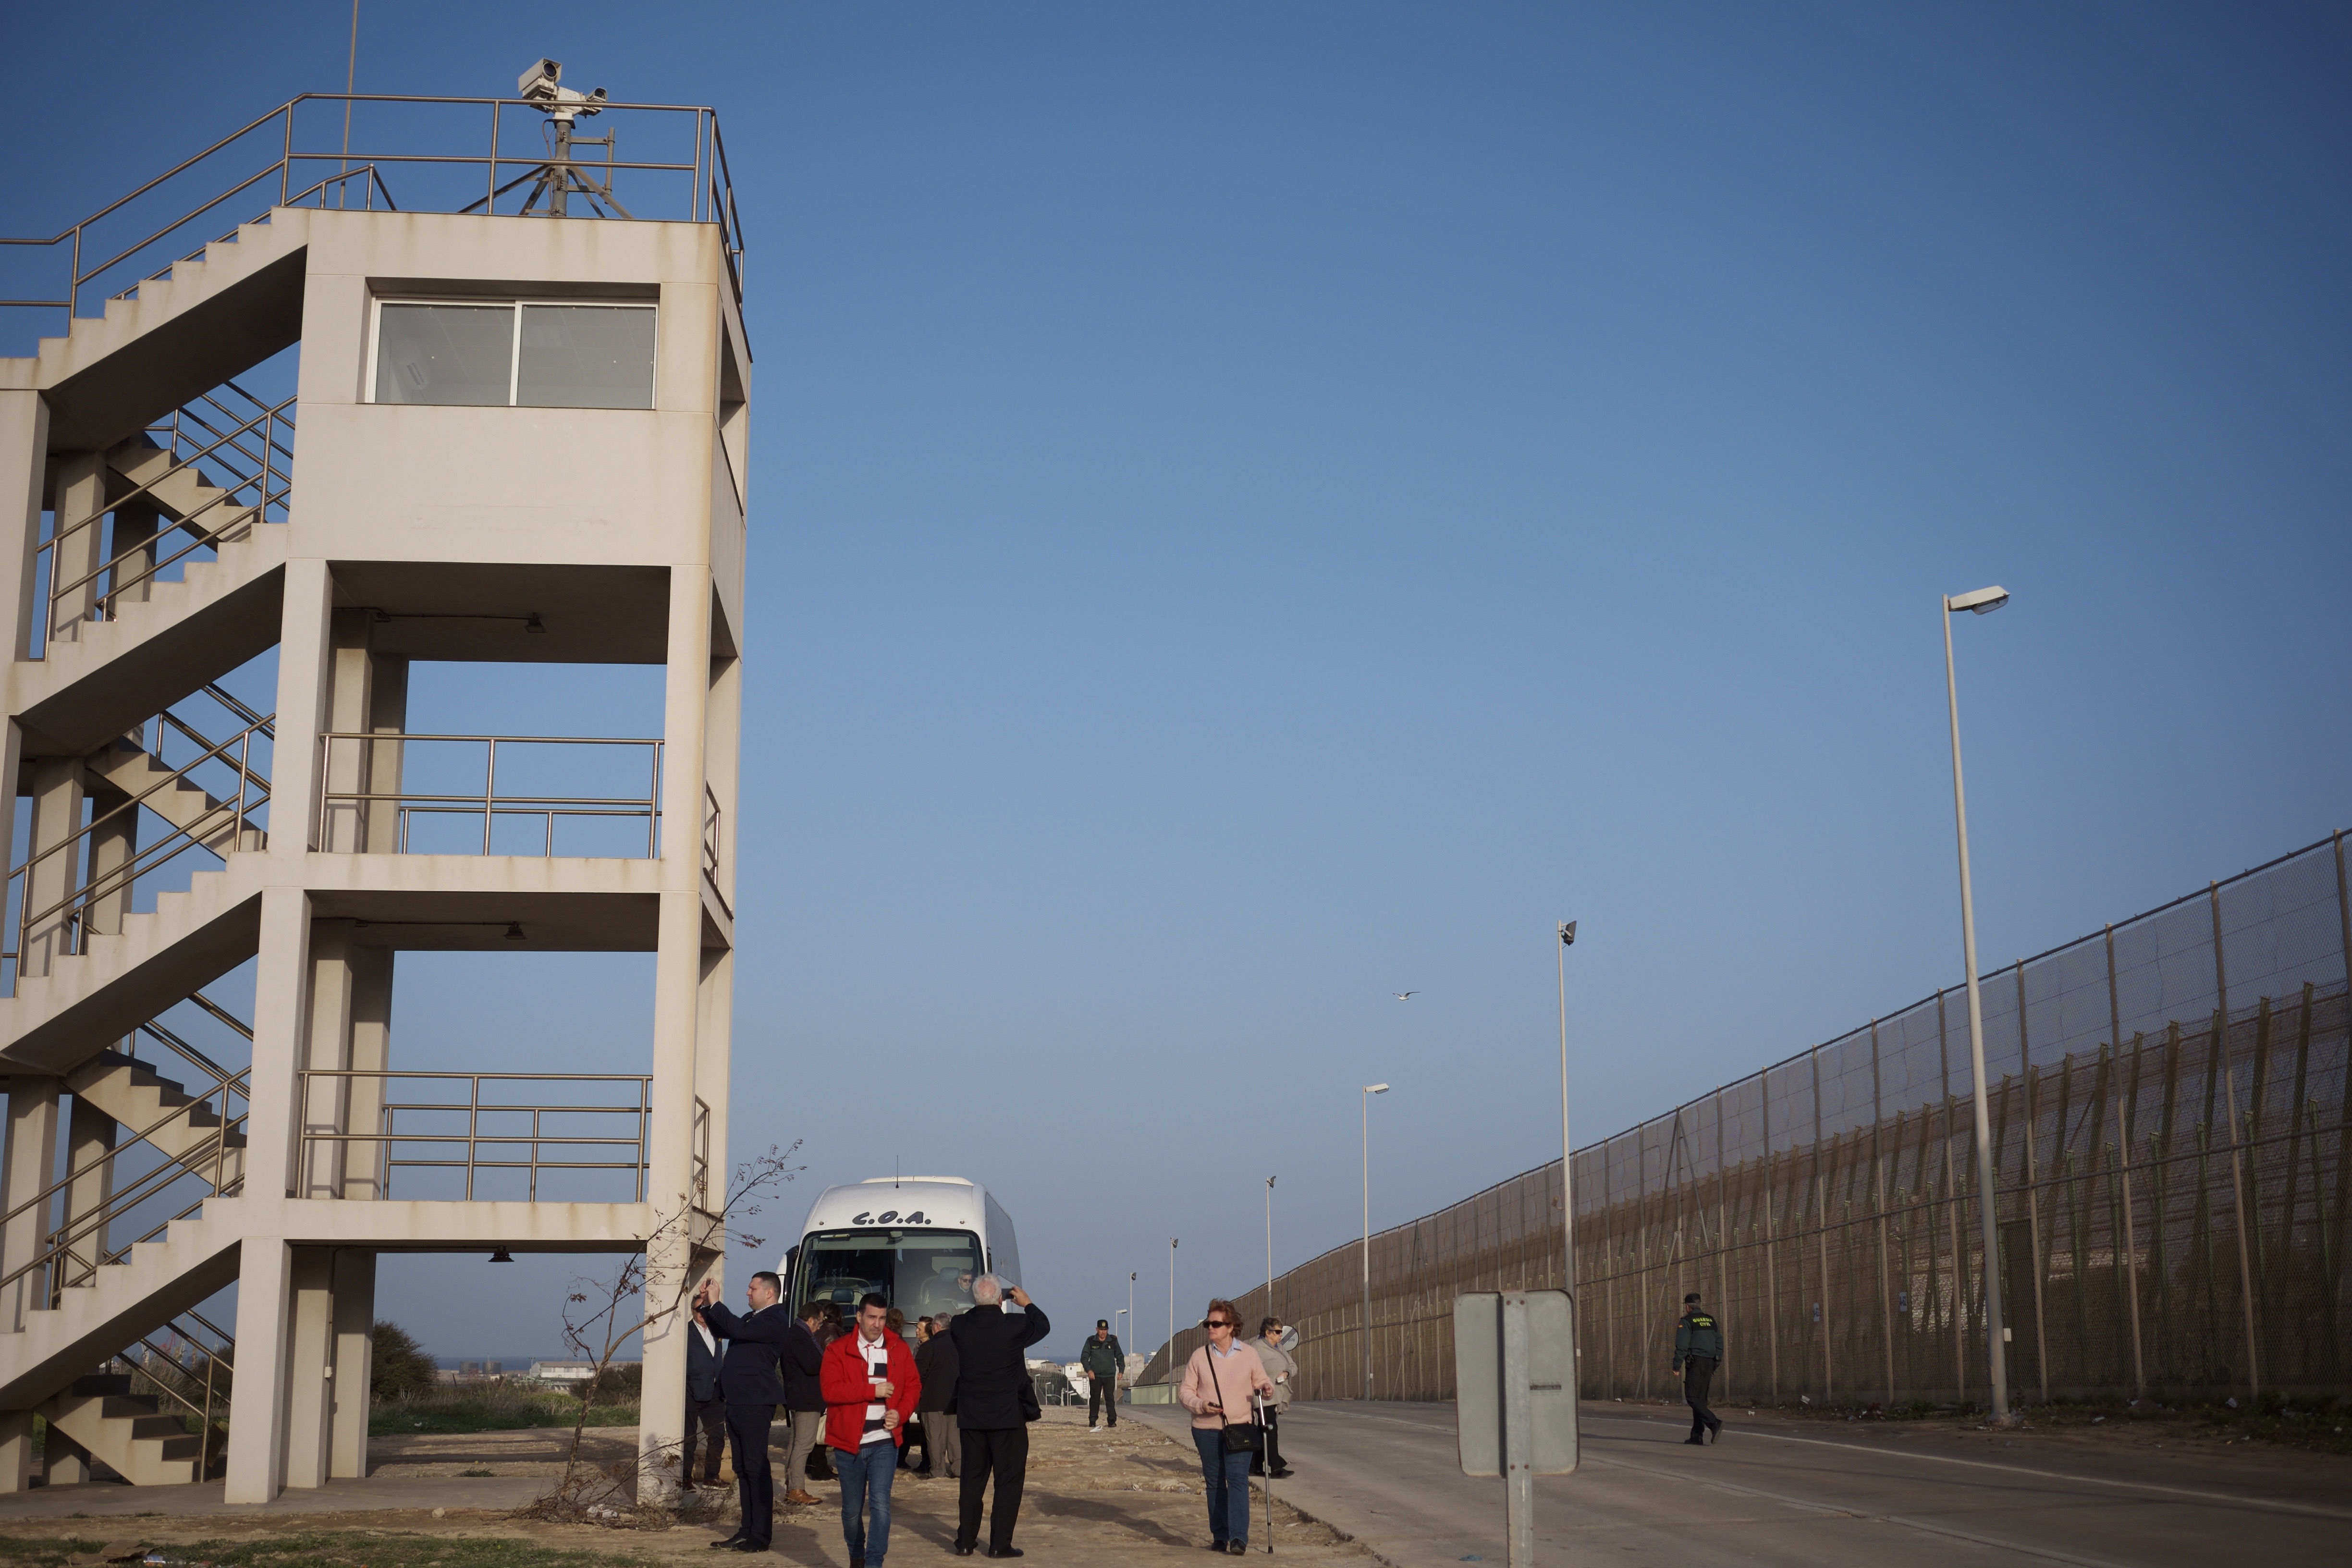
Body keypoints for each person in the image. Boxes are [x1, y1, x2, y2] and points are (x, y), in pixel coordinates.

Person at [946, 1274, 1051, 1557]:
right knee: (1008, 1482)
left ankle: (966, 1542)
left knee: (972, 1480)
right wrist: (1027, 1303)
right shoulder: (1015, 1326)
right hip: (1007, 1418)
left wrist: (982, 1302)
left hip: (971, 1418)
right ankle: (998, 1545)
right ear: (1001, 1300)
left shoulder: (959, 1325)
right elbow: (1043, 1325)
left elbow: (970, 1319)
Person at [694, 1271, 796, 1554]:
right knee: (743, 1469)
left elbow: (737, 1330)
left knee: (756, 1468)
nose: (748, 1293)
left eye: (752, 1289)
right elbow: (724, 1330)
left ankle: (760, 1536)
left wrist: (716, 1305)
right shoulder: (754, 1318)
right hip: (739, 1402)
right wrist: (705, 1305)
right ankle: (747, 1530)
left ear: (769, 1293)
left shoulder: (775, 1318)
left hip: (755, 1402)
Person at [821, 1292, 923, 1568]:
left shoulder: (898, 1348)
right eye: (872, 1318)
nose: (878, 1324)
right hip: (848, 1444)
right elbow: (830, 1391)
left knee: (881, 1505)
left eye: (882, 1318)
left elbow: (914, 1386)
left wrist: (900, 1414)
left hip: (885, 1443)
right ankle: (857, 1556)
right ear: (860, 1317)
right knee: (852, 1512)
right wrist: (871, 1391)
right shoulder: (838, 1349)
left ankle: (874, 1562)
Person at [1178, 1298, 1275, 1556]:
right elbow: (1184, 1392)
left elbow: (1262, 1379)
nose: (1211, 1328)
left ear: (1231, 1327)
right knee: (1215, 1483)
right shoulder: (1200, 1356)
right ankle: (1220, 1535)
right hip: (1205, 1429)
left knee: (1238, 1480)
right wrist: (1201, 1405)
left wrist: (1266, 1388)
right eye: (1208, 1323)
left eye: (1217, 1324)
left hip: (1240, 1427)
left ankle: (1239, 1538)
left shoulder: (1249, 1354)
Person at [777, 1299, 829, 1506]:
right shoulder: (800, 1337)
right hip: (806, 1398)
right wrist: (829, 1358)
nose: (820, 1327)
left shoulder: (796, 1334)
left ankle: (793, 1486)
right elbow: (812, 1365)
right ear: (810, 1320)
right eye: (819, 1323)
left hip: (800, 1397)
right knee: (803, 1445)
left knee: (796, 1443)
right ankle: (797, 1489)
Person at [682, 1303, 728, 1491]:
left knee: (718, 1435)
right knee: (689, 1438)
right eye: (698, 1310)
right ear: (692, 1311)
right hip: (691, 1392)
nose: (702, 1314)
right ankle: (685, 1480)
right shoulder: (685, 1331)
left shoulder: (717, 1332)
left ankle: (711, 1478)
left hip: (714, 1393)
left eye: (705, 1310)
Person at [1670, 1291, 1724, 1446]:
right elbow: (1719, 1343)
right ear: (1699, 1305)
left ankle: (1715, 1423)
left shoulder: (1687, 1321)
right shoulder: (1711, 1320)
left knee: (1692, 1397)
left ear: (1687, 1307)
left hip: (1696, 1362)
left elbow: (1682, 1345)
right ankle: (1697, 1436)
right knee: (1700, 1399)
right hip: (1710, 1362)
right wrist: (1716, 1362)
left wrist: (1676, 1366)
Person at [914, 1313, 961, 1481]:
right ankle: (958, 1469)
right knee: (955, 1438)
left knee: (935, 1438)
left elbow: (918, 1374)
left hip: (932, 1399)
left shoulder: (928, 1347)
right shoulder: (960, 1344)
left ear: (937, 1327)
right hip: (957, 1399)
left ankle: (938, 1471)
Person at [1250, 1318, 1295, 1480]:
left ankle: (1254, 1466)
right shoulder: (1256, 1349)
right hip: (1262, 1397)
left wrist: (1287, 1373)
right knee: (1269, 1429)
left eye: (1281, 1331)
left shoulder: (1280, 1348)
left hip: (1276, 1396)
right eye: (1277, 1332)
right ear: (1267, 1332)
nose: (1280, 1335)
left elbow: (1293, 1365)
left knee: (1264, 1431)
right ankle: (1276, 1467)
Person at [1078, 1319, 1124, 1432]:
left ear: (1108, 1330)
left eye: (1105, 1330)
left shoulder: (1113, 1341)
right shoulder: (1091, 1341)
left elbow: (1120, 1356)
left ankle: (1112, 1421)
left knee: (1110, 1398)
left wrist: (1121, 1370)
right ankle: (1093, 1420)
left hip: (1109, 1376)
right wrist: (1089, 1371)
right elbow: (1084, 1358)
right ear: (1097, 1330)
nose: (1103, 1332)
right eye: (1101, 1330)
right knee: (1094, 1398)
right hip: (1095, 1376)